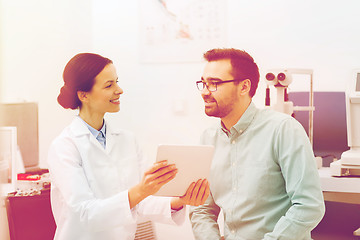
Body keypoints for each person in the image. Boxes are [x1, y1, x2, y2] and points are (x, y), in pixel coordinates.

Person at [48, 53, 210, 240]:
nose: (119, 90)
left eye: (117, 82)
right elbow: (85, 214)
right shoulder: (64, 147)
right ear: (84, 95)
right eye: (109, 85)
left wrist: (179, 201)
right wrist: (141, 190)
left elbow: (138, 204)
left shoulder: (127, 140)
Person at [189, 48, 325, 239]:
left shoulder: (283, 129)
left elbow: (309, 206)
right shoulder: (208, 138)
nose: (204, 92)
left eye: (214, 84)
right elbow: (201, 208)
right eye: (203, 83)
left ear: (244, 87)